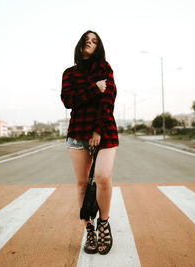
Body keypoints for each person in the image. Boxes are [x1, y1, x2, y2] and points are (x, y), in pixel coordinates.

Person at [61, 30, 119, 255]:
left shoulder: (105, 69)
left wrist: (98, 129)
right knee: (82, 184)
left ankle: (104, 222)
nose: (90, 44)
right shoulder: (70, 73)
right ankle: (90, 229)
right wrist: (94, 87)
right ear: (80, 45)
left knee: (103, 177)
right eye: (87, 40)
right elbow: (68, 101)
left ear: (99, 47)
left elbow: (109, 98)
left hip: (104, 131)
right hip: (77, 132)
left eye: (94, 41)